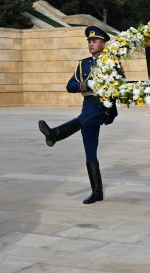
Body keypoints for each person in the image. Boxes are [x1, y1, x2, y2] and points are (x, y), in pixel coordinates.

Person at [38, 26, 121, 205]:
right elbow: (70, 86)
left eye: (95, 41)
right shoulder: (83, 64)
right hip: (88, 105)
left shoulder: (112, 61)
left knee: (84, 120)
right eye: (89, 41)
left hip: (104, 107)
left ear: (103, 43)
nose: (91, 44)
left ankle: (55, 134)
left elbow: (119, 84)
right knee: (90, 149)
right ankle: (97, 191)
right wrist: (87, 84)